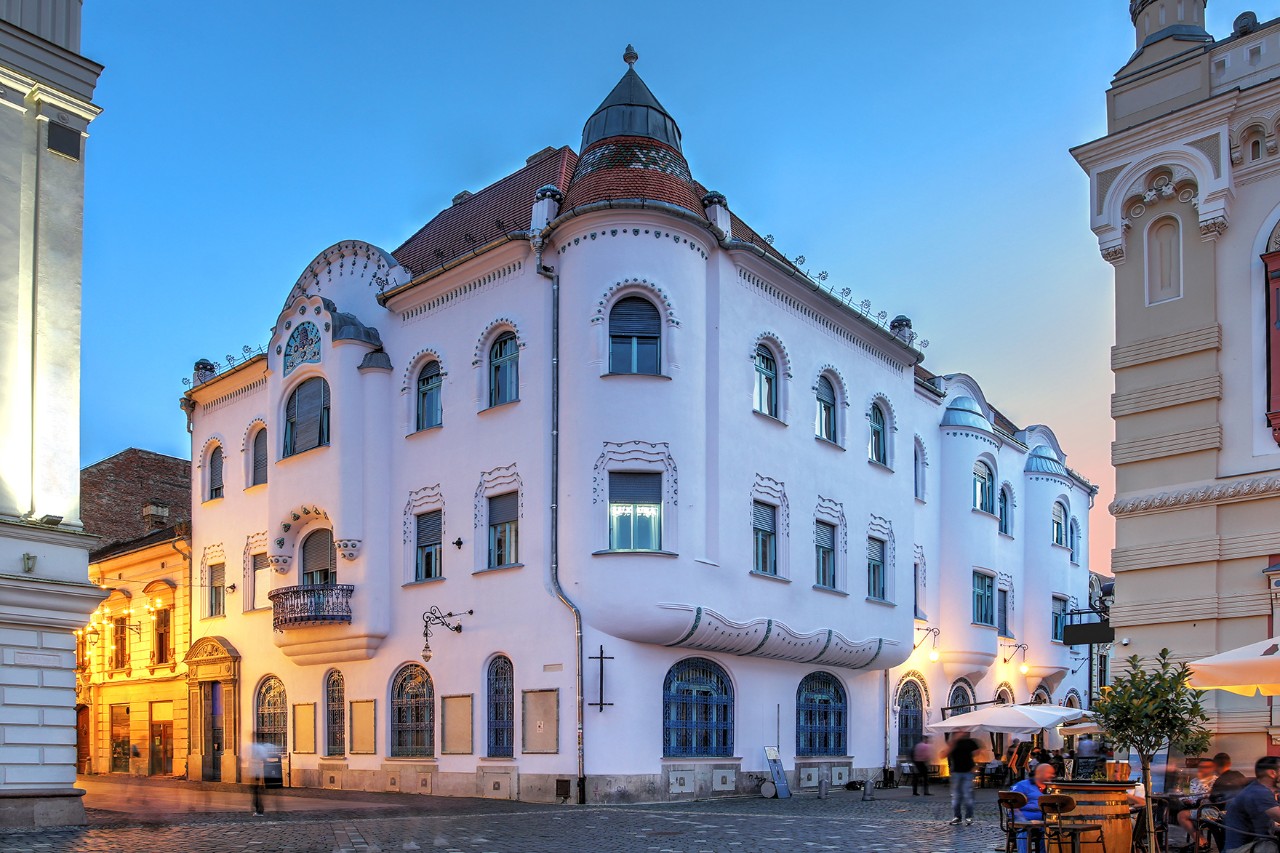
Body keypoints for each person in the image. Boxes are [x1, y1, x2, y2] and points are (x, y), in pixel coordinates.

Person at [1224, 756, 1280, 852]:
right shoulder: (1259, 792)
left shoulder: (1256, 788)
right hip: (1242, 848)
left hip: (1250, 842)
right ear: (1272, 773)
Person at [1173, 759, 1218, 847]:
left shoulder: (1216, 781)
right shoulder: (1192, 781)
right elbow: (1184, 793)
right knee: (1178, 809)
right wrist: (1184, 799)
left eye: (1205, 767)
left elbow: (1210, 796)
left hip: (1206, 808)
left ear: (1212, 769)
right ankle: (1200, 841)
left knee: (1183, 815)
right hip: (1190, 806)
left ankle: (1200, 842)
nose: (1201, 769)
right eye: (1200, 767)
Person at [1011, 763, 1055, 853]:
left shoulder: (1051, 788)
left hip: (1044, 820)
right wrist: (1022, 820)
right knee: (1024, 830)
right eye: (1049, 773)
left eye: (1052, 773)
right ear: (1039, 773)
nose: (1052, 775)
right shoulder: (1022, 785)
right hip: (1024, 819)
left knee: (1050, 831)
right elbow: (1011, 804)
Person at [943, 729, 981, 826]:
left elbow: (978, 752)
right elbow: (943, 755)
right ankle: (957, 817)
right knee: (956, 796)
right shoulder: (953, 743)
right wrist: (954, 742)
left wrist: (975, 765)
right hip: (956, 772)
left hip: (967, 772)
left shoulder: (971, 742)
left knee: (968, 795)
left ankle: (969, 817)